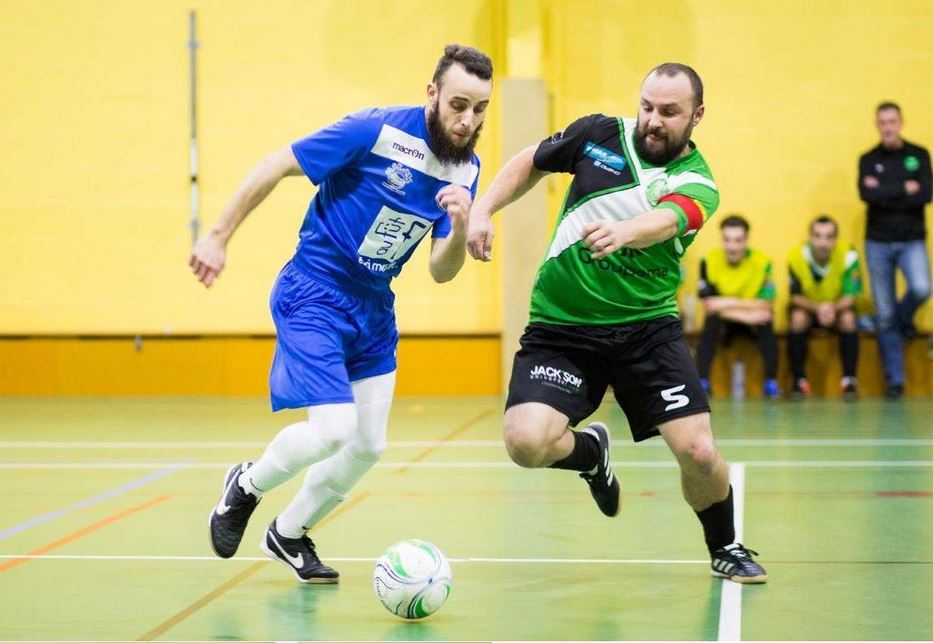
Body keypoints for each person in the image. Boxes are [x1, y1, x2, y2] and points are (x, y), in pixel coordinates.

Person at [189, 44, 493, 583]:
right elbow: (275, 165)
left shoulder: (466, 168)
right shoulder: (373, 130)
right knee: (333, 430)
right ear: (432, 94)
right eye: (458, 105)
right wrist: (217, 235)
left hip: (374, 306)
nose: (467, 121)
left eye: (480, 110)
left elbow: (441, 271)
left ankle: (288, 532)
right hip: (315, 292)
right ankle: (247, 485)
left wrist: (462, 225)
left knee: (368, 446)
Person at [467, 63, 767, 583]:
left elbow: (670, 218)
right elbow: (530, 162)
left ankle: (726, 545)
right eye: (647, 106)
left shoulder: (697, 181)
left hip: (646, 331)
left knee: (698, 450)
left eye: (669, 112)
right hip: (561, 329)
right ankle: (590, 454)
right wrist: (482, 210)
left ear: (697, 116)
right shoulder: (598, 133)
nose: (652, 120)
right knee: (525, 443)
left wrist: (626, 231)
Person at [858, 102, 932, 399]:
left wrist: (885, 190)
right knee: (885, 314)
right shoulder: (868, 159)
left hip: (912, 239)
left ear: (901, 122)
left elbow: (926, 194)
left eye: (892, 121)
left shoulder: (919, 155)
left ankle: (903, 320)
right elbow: (867, 194)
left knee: (921, 288)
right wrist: (905, 189)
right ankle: (896, 381)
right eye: (883, 122)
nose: (888, 126)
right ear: (877, 125)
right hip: (877, 241)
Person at [695, 215, 780, 399]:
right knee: (711, 321)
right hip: (729, 320)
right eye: (727, 240)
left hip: (750, 320)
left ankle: (771, 382)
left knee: (766, 320)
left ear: (746, 240)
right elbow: (709, 305)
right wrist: (747, 314)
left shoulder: (763, 262)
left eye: (738, 240)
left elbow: (767, 304)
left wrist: (725, 302)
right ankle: (703, 382)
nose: (732, 247)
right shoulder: (708, 261)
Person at [786, 215, 862, 399]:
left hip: (836, 308)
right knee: (797, 318)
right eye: (818, 236)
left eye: (829, 237)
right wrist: (818, 308)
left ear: (836, 238)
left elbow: (851, 296)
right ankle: (799, 381)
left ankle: (849, 380)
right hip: (810, 309)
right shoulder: (796, 256)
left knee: (848, 319)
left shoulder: (848, 254)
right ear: (810, 237)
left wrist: (832, 308)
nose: (823, 242)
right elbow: (795, 297)